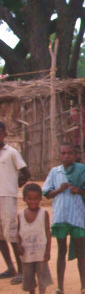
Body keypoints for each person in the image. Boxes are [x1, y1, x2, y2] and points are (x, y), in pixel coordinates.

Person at [43, 144, 85, 294]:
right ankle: (59, 287)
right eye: (63, 153)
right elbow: (46, 193)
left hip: (77, 217)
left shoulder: (82, 172)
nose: (66, 156)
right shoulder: (55, 172)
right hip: (60, 217)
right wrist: (60, 189)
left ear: (75, 155)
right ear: (59, 155)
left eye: (70, 153)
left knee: (80, 251)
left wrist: (79, 191)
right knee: (61, 251)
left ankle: (84, 287)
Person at [0, 121, 31, 285]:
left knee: (11, 234)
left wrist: (19, 183)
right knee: (0, 236)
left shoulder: (11, 152)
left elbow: (26, 171)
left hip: (7, 197)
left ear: (4, 134)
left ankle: (21, 269)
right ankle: (10, 267)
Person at [16, 183, 52, 294]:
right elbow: (18, 232)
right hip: (26, 251)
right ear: (24, 199)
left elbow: (47, 232)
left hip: (40, 250)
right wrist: (19, 245)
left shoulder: (43, 213)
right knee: (28, 275)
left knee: (42, 274)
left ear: (40, 199)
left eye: (36, 199)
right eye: (29, 199)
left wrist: (48, 251)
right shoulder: (20, 215)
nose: (33, 202)